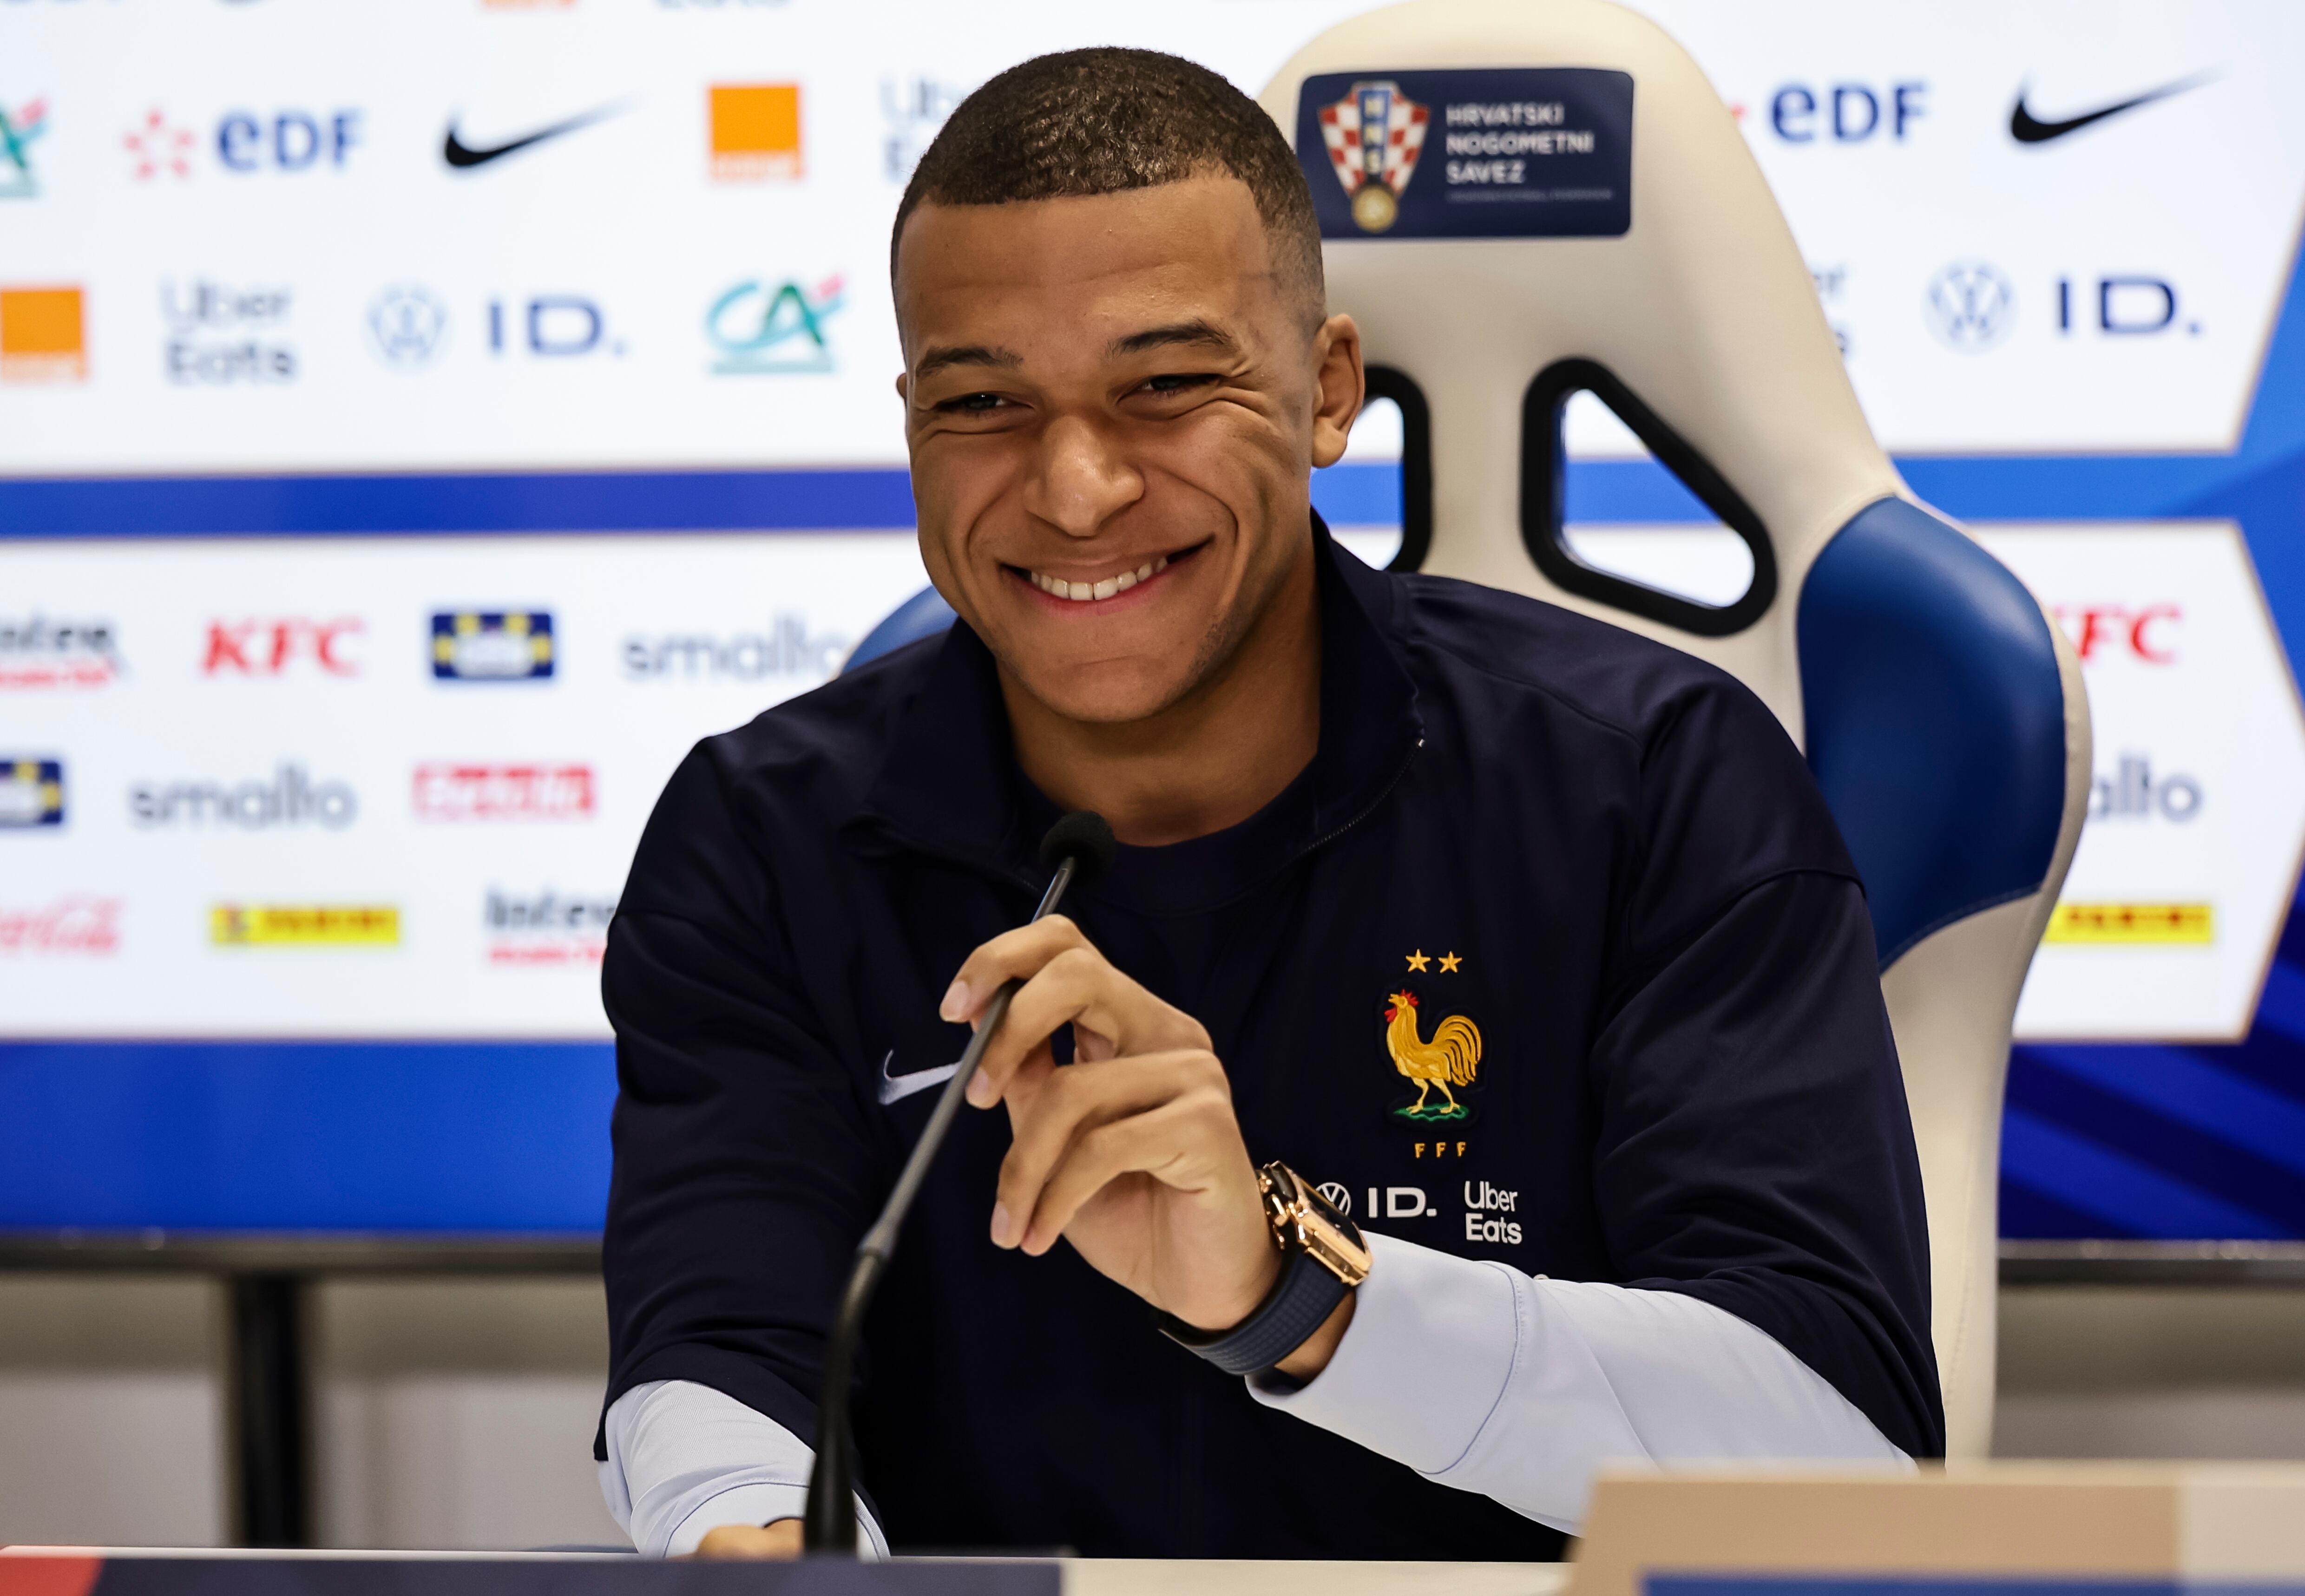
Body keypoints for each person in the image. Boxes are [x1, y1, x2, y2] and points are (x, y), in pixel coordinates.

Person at [595, 46, 1939, 1562]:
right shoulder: (762, 835)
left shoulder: (1654, 782)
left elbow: (1842, 1454)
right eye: (983, 401)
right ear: (910, 419)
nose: (1076, 488)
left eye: (1164, 385)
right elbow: (719, 1354)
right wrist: (749, 1533)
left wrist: (1295, 1291)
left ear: (1325, 390)